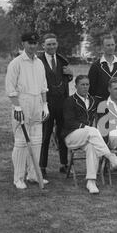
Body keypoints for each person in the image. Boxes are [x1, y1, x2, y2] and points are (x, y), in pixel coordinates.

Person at [62, 75, 117, 194]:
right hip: (71, 136)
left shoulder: (93, 101)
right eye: (82, 84)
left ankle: (91, 181)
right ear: (75, 86)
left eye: (87, 84)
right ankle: (111, 158)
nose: (85, 87)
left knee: (93, 146)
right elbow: (69, 122)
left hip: (89, 138)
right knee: (92, 130)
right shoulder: (69, 101)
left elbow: (109, 107)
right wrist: (87, 128)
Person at [5, 32, 50, 189]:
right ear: (23, 43)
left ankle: (33, 174)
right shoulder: (15, 63)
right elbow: (10, 89)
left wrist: (45, 105)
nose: (32, 46)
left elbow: (44, 87)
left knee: (37, 141)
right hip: (22, 103)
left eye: (35, 43)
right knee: (21, 142)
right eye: (29, 43)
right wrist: (17, 106)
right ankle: (18, 178)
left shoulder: (39, 63)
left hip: (37, 103)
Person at [38, 33, 73, 177]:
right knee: (45, 135)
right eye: (49, 44)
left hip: (62, 103)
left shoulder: (62, 61)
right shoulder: (38, 62)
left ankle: (63, 164)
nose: (52, 47)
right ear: (43, 46)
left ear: (57, 44)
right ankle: (42, 166)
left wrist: (71, 75)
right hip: (46, 103)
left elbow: (66, 81)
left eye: (54, 44)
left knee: (62, 134)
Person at [88, 34, 117, 101]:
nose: (111, 47)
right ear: (103, 47)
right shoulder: (96, 66)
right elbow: (91, 88)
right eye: (108, 45)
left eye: (112, 45)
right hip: (100, 103)